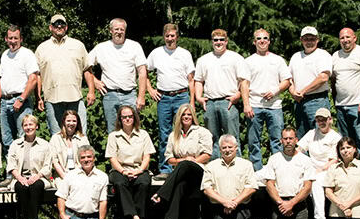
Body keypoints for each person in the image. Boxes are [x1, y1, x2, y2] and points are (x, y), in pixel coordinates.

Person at [150, 104, 212, 219]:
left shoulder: (202, 132)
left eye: (189, 114)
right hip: (181, 173)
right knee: (179, 186)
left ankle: (161, 194)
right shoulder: (173, 135)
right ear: (179, 117)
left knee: (186, 164)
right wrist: (183, 160)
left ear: (193, 116)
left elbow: (207, 155)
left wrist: (192, 161)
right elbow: (169, 159)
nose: (186, 117)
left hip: (199, 170)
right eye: (183, 114)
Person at [145, 23, 195, 178]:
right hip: (164, 98)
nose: (170, 39)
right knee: (165, 134)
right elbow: (143, 72)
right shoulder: (156, 53)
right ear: (164, 37)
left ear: (177, 37)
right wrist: (150, 89)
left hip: (181, 96)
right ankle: (165, 169)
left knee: (184, 132)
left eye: (173, 36)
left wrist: (191, 102)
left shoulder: (185, 54)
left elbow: (191, 79)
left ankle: (184, 168)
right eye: (167, 36)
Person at [194, 29, 251, 158]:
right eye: (215, 40)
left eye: (221, 40)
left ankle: (236, 168)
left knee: (232, 138)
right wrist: (198, 97)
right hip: (210, 103)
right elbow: (198, 80)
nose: (218, 43)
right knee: (211, 139)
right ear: (212, 42)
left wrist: (238, 95)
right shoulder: (204, 60)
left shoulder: (235, 58)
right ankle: (215, 168)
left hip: (228, 102)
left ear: (226, 41)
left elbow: (244, 81)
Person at [35, 14, 95, 135]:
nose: (59, 26)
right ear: (50, 27)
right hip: (52, 99)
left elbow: (87, 70)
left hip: (75, 98)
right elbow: (37, 75)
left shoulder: (78, 45)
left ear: (66, 27)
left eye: (62, 24)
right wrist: (38, 97)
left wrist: (91, 91)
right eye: (56, 24)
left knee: (80, 136)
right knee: (57, 138)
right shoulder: (42, 48)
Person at [89, 18, 148, 132]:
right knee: (112, 131)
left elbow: (142, 71)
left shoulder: (134, 46)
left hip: (130, 95)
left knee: (133, 130)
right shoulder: (101, 48)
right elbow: (85, 66)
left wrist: (141, 96)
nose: (119, 32)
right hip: (109, 95)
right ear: (111, 30)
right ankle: (114, 150)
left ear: (125, 31)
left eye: (122, 29)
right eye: (116, 29)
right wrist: (95, 82)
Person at [245, 28, 292, 170]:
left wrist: (275, 91)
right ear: (254, 42)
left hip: (274, 106)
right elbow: (244, 84)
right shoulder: (248, 61)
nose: (262, 41)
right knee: (253, 142)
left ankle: (278, 171)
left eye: (265, 38)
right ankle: (258, 174)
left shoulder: (277, 60)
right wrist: (246, 104)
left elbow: (286, 81)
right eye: (259, 39)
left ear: (269, 41)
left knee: (277, 141)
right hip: (254, 105)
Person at [105, 104, 155, 219]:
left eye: (130, 117)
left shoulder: (143, 134)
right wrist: (123, 171)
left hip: (139, 169)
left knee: (144, 183)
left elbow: (147, 156)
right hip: (119, 170)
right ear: (120, 119)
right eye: (124, 117)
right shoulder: (113, 136)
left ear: (134, 118)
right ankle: (137, 218)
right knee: (120, 183)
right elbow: (112, 158)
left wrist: (139, 170)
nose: (127, 119)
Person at [331, 27, 360, 163]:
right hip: (341, 106)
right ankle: (348, 169)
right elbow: (333, 80)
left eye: (348, 37)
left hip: (358, 105)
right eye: (342, 38)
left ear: (354, 38)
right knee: (345, 142)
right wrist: (335, 100)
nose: (345, 40)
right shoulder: (335, 56)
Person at [0, 25, 39, 159]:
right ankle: (11, 174)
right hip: (5, 101)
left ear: (21, 39)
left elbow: (33, 79)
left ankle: (24, 172)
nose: (13, 41)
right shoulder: (5, 55)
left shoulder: (27, 54)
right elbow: (2, 80)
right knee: (6, 139)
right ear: (6, 39)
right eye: (10, 38)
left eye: (16, 38)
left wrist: (21, 99)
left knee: (24, 137)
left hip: (21, 101)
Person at [7, 114, 53, 219]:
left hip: (39, 177)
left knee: (35, 186)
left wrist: (37, 176)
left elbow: (47, 166)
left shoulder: (45, 144)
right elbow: (11, 165)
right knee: (21, 188)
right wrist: (20, 178)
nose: (28, 127)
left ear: (36, 126)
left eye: (31, 124)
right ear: (22, 127)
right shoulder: (15, 144)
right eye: (25, 125)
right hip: (20, 178)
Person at [299, 107, 342, 219]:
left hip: (328, 171)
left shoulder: (335, 137)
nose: (321, 122)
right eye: (318, 120)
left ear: (330, 120)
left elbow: (334, 160)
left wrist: (320, 169)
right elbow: (299, 148)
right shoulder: (312, 133)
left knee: (316, 183)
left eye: (323, 119)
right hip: (311, 169)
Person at [288, 26, 333, 138]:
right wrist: (293, 92)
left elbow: (323, 77)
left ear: (317, 39)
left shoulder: (323, 55)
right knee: (302, 136)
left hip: (317, 100)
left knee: (320, 134)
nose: (309, 42)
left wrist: (303, 91)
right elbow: (289, 78)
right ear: (301, 40)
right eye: (306, 39)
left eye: (312, 39)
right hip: (299, 102)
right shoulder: (296, 57)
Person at [49, 110, 90, 179]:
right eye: (68, 121)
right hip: (61, 175)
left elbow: (87, 159)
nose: (71, 123)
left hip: (80, 174)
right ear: (64, 122)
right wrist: (64, 177)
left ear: (77, 123)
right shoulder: (55, 138)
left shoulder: (83, 139)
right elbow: (54, 161)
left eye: (74, 121)